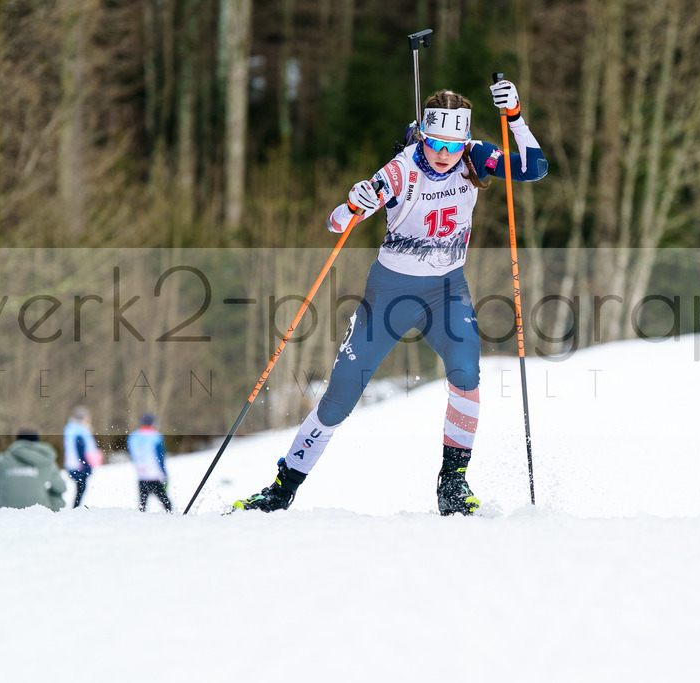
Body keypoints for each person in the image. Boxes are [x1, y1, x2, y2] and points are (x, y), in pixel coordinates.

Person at [234, 79, 547, 515]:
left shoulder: (476, 156)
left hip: (446, 292)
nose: (443, 153)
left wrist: (514, 117)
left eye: (453, 145)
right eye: (435, 142)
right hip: (389, 296)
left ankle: (452, 484)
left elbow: (535, 168)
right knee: (340, 396)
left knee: (466, 373)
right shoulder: (402, 169)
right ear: (423, 135)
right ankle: (282, 488)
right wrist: (353, 202)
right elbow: (337, 222)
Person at [0, 429, 67, 512]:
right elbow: (61, 488)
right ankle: (51, 517)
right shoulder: (46, 461)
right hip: (40, 510)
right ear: (37, 440)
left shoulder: (3, 459)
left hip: (2, 510)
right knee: (57, 498)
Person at [127, 413, 172, 512]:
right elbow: (160, 457)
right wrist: (164, 472)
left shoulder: (133, 436)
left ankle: (139, 520)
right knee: (167, 503)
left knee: (142, 504)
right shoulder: (156, 436)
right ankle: (173, 518)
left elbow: (132, 453)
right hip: (154, 474)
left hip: (141, 474)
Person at [63, 406, 99, 507]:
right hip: (79, 464)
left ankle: (76, 508)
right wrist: (85, 464)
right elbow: (80, 449)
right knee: (81, 487)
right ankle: (76, 509)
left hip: (74, 463)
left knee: (80, 487)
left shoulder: (71, 429)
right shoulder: (79, 431)